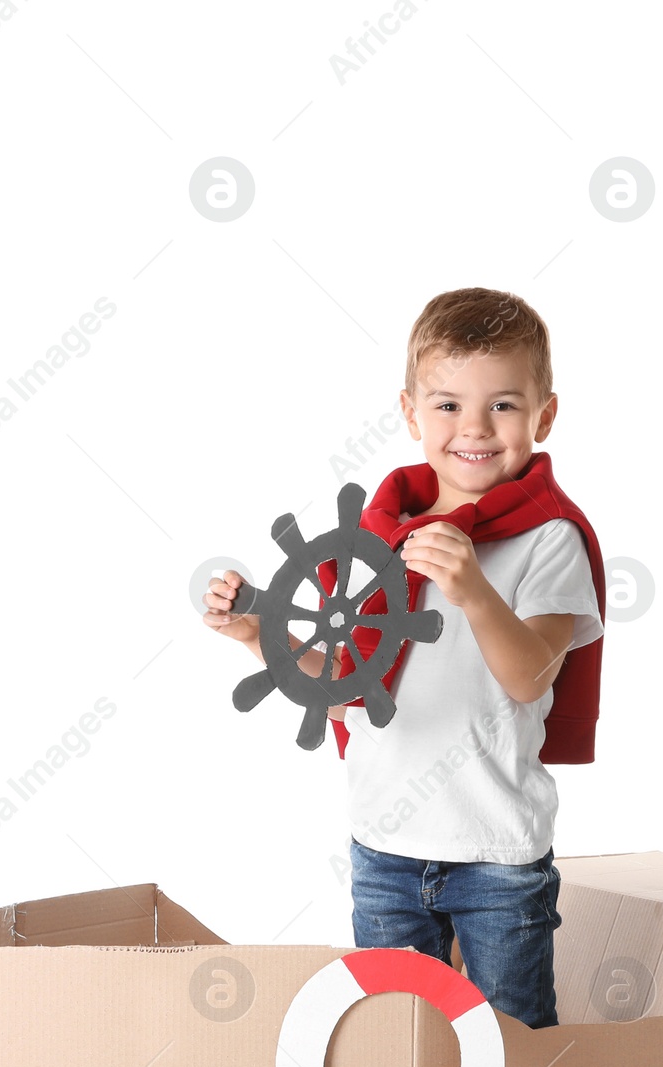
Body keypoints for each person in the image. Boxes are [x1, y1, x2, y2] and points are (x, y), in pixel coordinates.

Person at [204, 287, 604, 1028]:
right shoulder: (377, 537)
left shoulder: (549, 538)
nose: (475, 427)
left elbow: (530, 675)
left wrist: (475, 591)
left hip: (497, 856)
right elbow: (350, 680)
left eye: (504, 405)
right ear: (410, 411)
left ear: (545, 414)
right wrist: (265, 637)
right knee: (397, 1041)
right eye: (448, 404)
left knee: (514, 1046)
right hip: (383, 848)